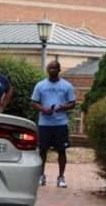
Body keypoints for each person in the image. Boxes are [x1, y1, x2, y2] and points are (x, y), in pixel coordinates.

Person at [31, 60, 76, 188]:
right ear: (47, 70)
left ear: (59, 70)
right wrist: (43, 109)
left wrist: (62, 107)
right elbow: (34, 102)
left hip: (60, 124)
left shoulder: (67, 86)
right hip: (44, 124)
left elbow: (73, 103)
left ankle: (61, 177)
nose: (52, 70)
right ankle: (41, 176)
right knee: (42, 150)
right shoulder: (40, 85)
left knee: (61, 150)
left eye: (54, 68)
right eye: (50, 68)